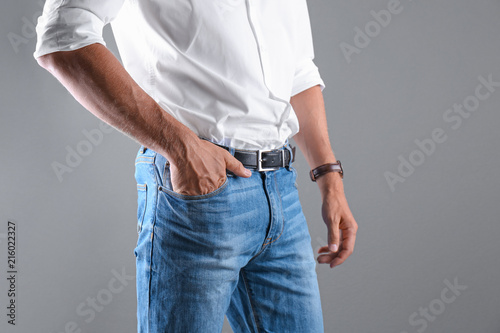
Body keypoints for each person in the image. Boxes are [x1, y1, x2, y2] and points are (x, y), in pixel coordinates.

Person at [34, 0, 358, 332]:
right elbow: (62, 36)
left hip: (281, 193)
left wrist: (328, 175)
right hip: (198, 194)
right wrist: (181, 147)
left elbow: (298, 71)